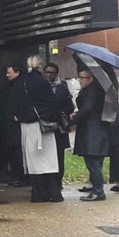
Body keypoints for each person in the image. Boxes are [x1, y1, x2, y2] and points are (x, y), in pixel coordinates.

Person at [10, 55, 63, 203]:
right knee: (49, 161)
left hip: (27, 126)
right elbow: (52, 104)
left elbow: (15, 104)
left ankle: (38, 193)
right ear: (40, 66)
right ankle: (54, 192)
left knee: (34, 162)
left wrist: (20, 116)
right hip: (45, 125)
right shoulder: (43, 83)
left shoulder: (21, 83)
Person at [72, 69, 110, 202]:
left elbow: (86, 109)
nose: (80, 80)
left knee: (93, 163)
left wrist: (73, 119)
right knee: (96, 163)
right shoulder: (96, 90)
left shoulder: (92, 92)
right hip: (97, 131)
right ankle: (96, 188)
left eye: (82, 78)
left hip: (92, 131)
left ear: (91, 78)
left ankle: (98, 191)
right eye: (79, 77)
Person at [43, 61, 75, 194]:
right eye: (47, 72)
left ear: (56, 74)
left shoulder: (62, 87)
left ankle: (58, 181)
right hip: (45, 127)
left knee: (59, 156)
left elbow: (70, 106)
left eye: (52, 72)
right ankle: (47, 182)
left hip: (59, 128)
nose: (49, 75)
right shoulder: (40, 86)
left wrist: (61, 112)